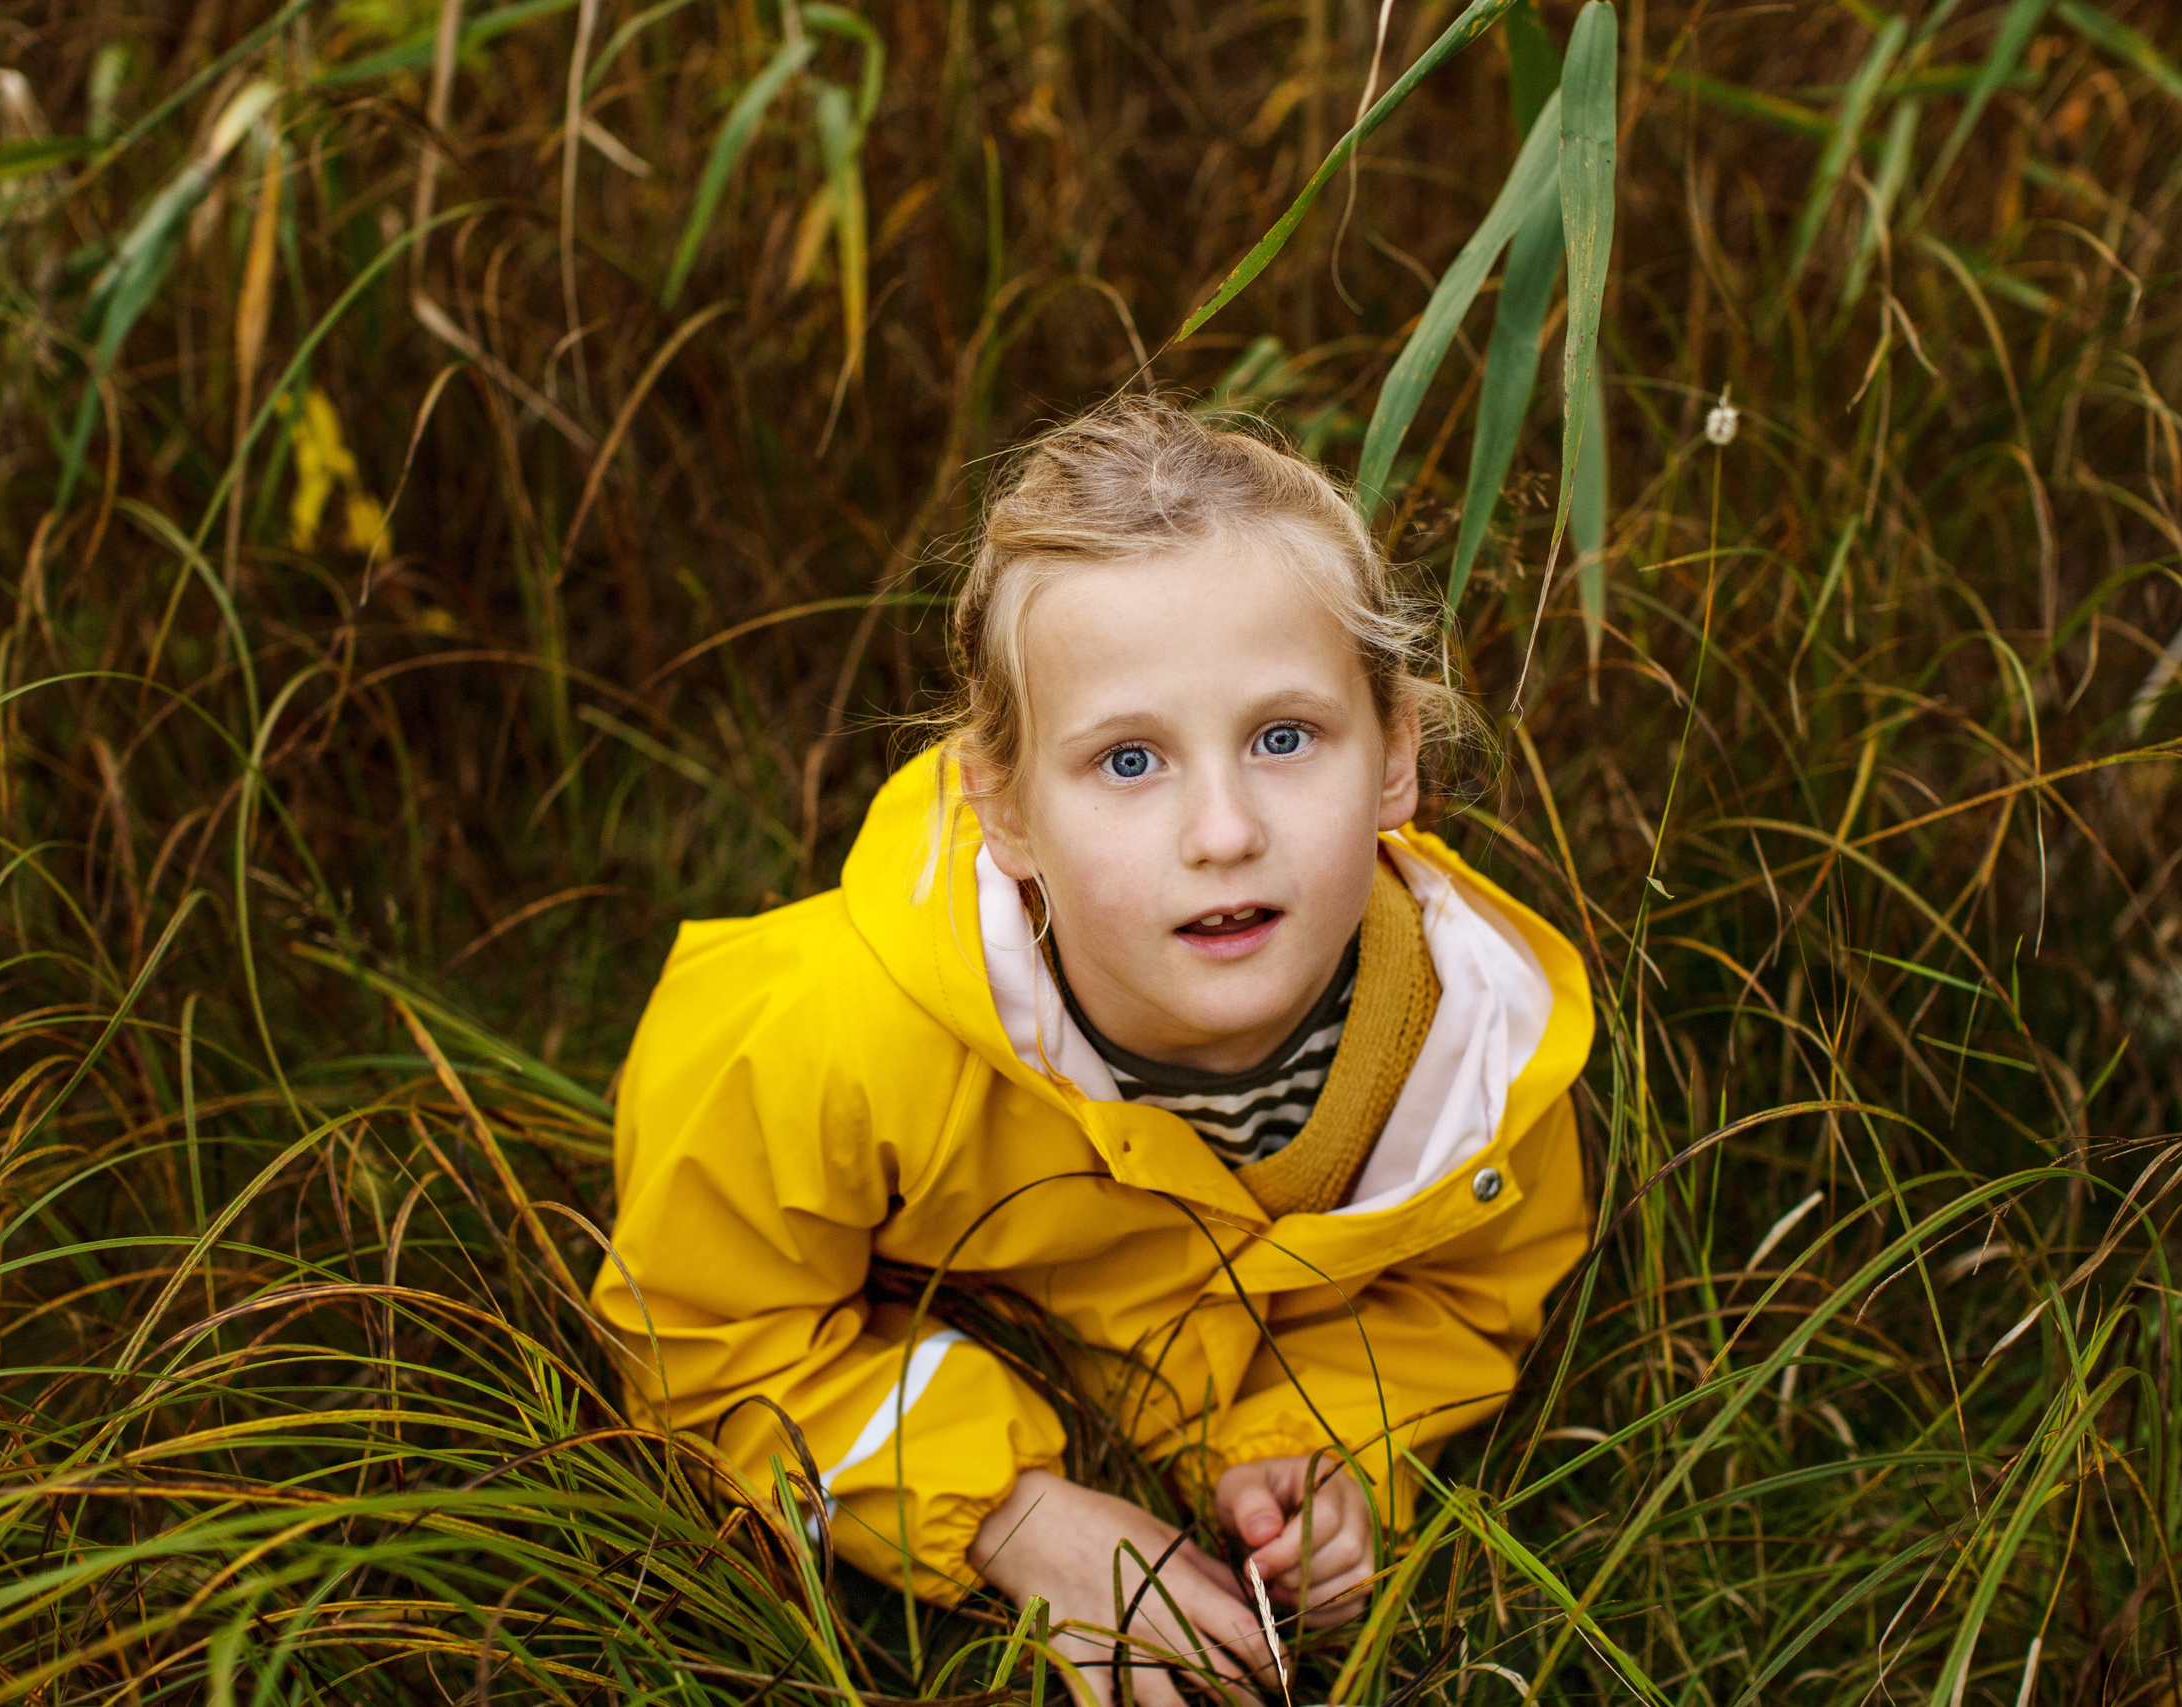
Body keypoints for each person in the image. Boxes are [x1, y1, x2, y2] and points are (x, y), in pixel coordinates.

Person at [589, 395, 1592, 1704]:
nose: (1223, 832)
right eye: (1129, 761)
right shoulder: (824, 1047)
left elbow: (1465, 1294)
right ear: (1003, 807)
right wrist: (1013, 1516)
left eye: (1284, 738)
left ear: (1395, 757)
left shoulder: (1476, 1058)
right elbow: (706, 1343)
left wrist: (1325, 1447)